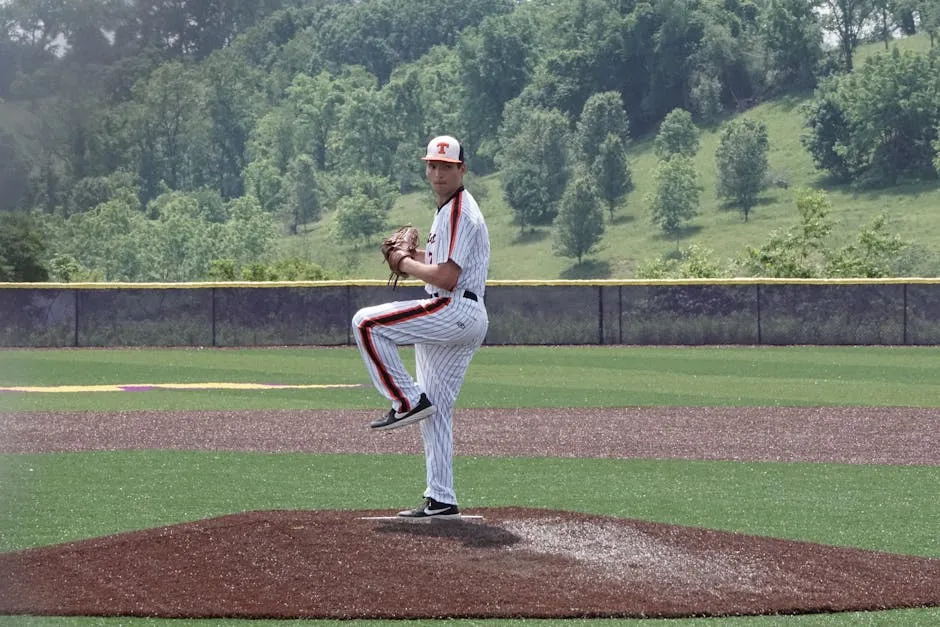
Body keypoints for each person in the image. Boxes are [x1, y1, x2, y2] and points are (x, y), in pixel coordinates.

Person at [351, 135, 490, 519]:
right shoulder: (448, 210)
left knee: (366, 323)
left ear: (461, 170)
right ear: (426, 168)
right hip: (458, 313)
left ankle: (405, 400)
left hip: (453, 309)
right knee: (437, 411)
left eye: (447, 166)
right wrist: (411, 255)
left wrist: (404, 264)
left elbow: (446, 277)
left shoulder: (461, 210)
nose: (438, 172)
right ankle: (441, 497)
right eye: (433, 165)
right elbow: (442, 260)